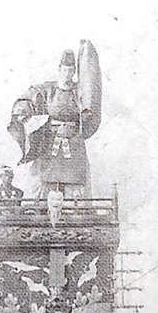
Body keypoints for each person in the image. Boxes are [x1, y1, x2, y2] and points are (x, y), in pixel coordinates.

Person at [8, 42, 101, 199]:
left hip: (73, 144)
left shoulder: (79, 92)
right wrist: (22, 111)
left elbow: (89, 111)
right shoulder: (48, 90)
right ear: (59, 69)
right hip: (50, 143)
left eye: (71, 71)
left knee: (76, 183)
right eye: (65, 70)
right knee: (41, 179)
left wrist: (78, 128)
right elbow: (30, 99)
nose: (67, 74)